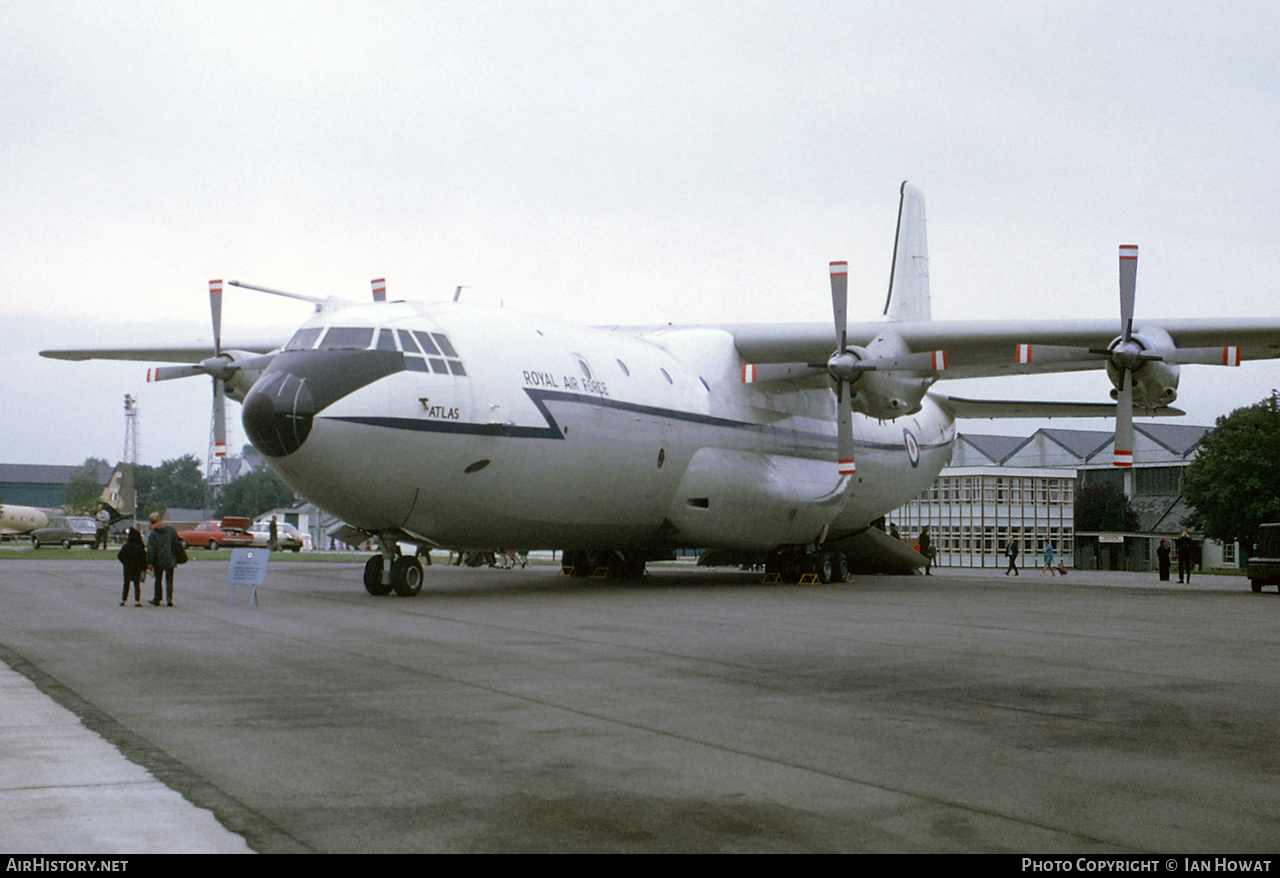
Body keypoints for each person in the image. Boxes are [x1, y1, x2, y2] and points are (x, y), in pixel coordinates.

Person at [146, 512, 179, 606]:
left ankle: (157, 598)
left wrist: (149, 561)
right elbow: (176, 543)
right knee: (169, 580)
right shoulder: (170, 530)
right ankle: (169, 599)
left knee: (158, 580)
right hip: (170, 558)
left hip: (158, 559)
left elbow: (150, 549)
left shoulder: (152, 533)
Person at [117, 528, 147, 606]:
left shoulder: (126, 546)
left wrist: (125, 562)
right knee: (136, 584)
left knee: (126, 583)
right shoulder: (140, 546)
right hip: (137, 567)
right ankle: (137, 600)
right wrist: (144, 567)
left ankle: (123, 599)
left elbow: (120, 556)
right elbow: (143, 557)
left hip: (127, 567)